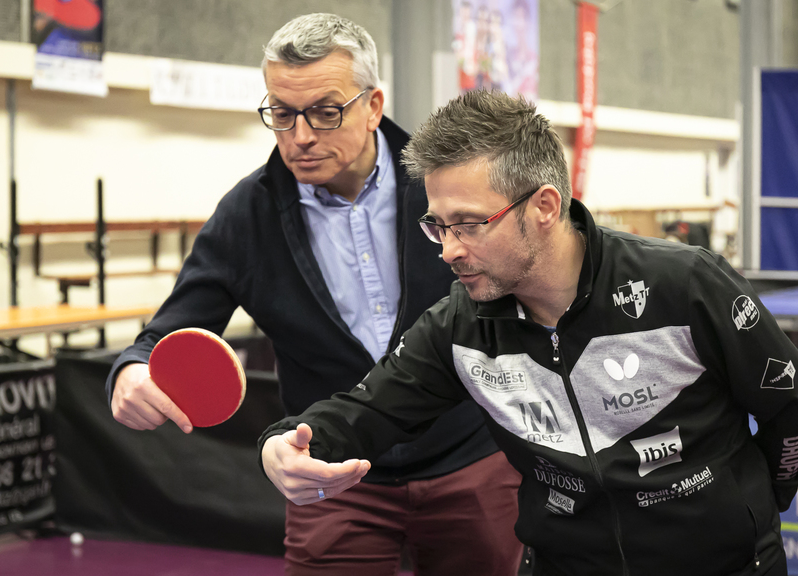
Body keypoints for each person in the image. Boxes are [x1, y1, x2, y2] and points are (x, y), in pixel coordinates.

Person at [260, 90, 798, 576]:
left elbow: (797, 411)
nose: (448, 249)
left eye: (468, 224)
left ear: (543, 206)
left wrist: (751, 507)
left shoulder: (683, 284)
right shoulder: (460, 325)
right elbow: (366, 411)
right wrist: (283, 444)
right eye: (438, 225)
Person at [107, 15, 523, 576]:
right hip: (325, 468)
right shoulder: (247, 215)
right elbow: (166, 333)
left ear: (373, 106)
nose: (300, 136)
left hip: (469, 460)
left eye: (327, 112)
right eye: (282, 114)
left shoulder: (446, 186)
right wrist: (132, 371)